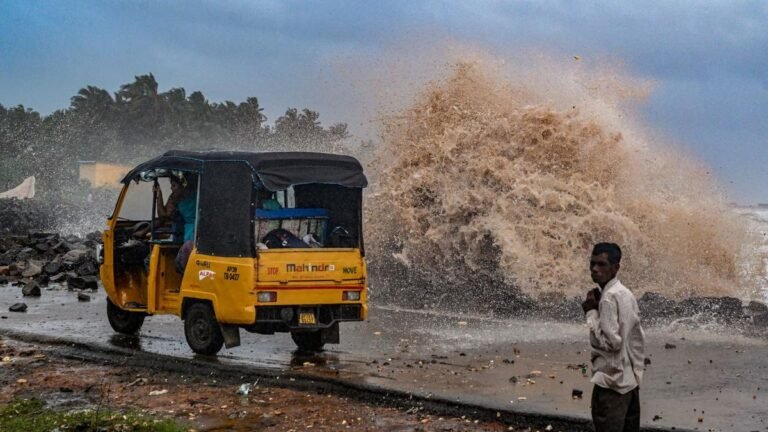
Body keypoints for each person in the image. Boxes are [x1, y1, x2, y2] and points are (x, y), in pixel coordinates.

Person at [582, 243, 645, 432]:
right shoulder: (625, 293)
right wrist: (636, 376)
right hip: (629, 383)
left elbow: (612, 342)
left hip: (612, 385)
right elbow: (636, 339)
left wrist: (591, 312)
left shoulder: (608, 298)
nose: (594, 269)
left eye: (601, 264)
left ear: (615, 268)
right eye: (592, 264)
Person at [173, 175, 197, 273]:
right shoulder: (198, 196)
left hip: (190, 236)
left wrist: (159, 196)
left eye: (173, 185)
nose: (171, 188)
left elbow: (164, 215)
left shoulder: (183, 202)